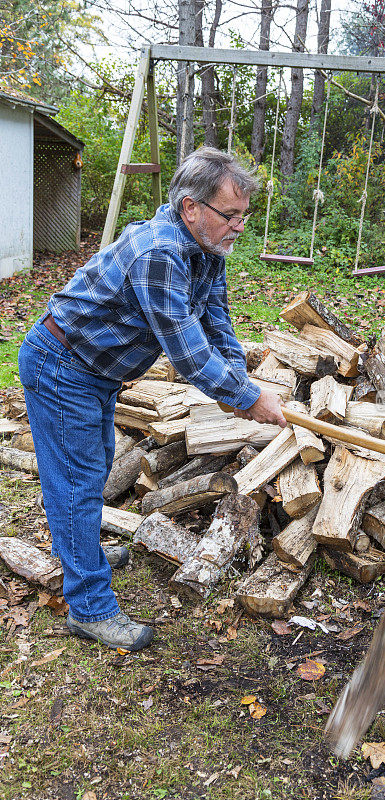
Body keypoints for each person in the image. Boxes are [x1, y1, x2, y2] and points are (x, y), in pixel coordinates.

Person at [18, 146, 286, 652]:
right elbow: (186, 351)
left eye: (243, 216)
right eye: (231, 215)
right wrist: (248, 399)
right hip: (62, 364)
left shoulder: (206, 248)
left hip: (94, 372)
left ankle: (80, 550)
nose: (239, 227)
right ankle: (90, 609)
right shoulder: (159, 253)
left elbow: (216, 322)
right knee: (76, 482)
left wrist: (240, 377)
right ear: (191, 207)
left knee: (93, 467)